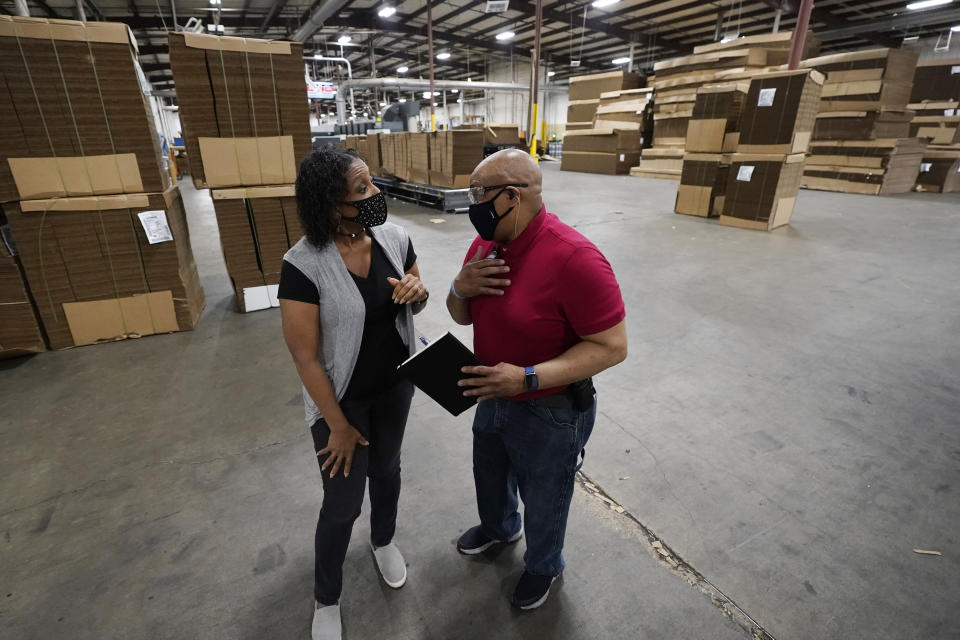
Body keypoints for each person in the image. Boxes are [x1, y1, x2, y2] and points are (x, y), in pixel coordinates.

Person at [447, 149, 628, 610]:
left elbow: (612, 346)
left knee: (546, 496)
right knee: (489, 474)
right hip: (492, 391)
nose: (472, 205)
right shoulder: (487, 247)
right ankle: (499, 528)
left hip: (550, 409)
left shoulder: (576, 259)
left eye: (478, 194)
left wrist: (526, 378)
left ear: (511, 196)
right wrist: (458, 288)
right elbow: (460, 315)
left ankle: (544, 565)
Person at [279, 147, 429, 640]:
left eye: (372, 185)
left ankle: (382, 540)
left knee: (387, 471)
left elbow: (416, 290)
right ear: (330, 206)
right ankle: (327, 596)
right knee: (342, 502)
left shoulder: (395, 237)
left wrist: (417, 293)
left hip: (395, 387)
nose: (376, 195)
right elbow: (306, 357)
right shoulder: (303, 264)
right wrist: (338, 426)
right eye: (362, 191)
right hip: (340, 402)